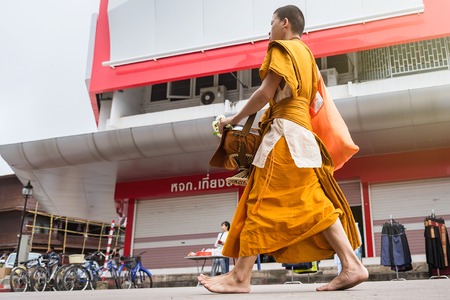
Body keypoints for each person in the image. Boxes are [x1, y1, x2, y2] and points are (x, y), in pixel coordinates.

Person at [198, 5, 368, 293]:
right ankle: (352, 264)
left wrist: (232, 119)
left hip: (284, 137)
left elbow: (265, 93)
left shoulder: (281, 48)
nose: (269, 30)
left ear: (285, 23)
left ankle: (240, 277)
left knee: (260, 199)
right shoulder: (309, 58)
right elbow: (307, 103)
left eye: (272, 22)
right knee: (314, 201)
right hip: (304, 137)